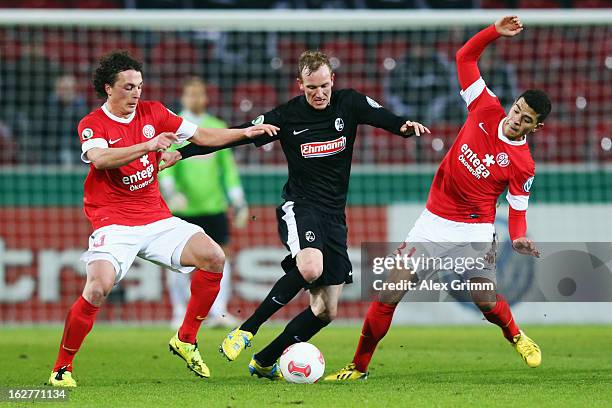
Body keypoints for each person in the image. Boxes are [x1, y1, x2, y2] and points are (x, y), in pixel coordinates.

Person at [177, 50, 429, 379]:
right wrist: (181, 154)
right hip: (300, 206)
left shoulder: (348, 103)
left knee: (325, 311)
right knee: (311, 266)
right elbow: (235, 135)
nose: (319, 93)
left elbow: (388, 119)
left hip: (334, 215)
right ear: (300, 85)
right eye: (312, 88)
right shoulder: (286, 116)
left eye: (324, 86)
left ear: (332, 81)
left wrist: (405, 128)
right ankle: (246, 330)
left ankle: (265, 361)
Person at [324, 15, 551, 381]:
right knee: (388, 292)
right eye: (516, 111)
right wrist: (493, 32)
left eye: (525, 121)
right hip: (433, 221)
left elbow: (517, 209)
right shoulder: (485, 107)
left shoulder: (523, 164)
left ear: (536, 127)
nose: (515, 121)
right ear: (512, 105)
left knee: (485, 300)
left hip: (475, 231)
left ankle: (517, 335)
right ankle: (358, 367)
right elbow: (464, 58)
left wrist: (520, 236)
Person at [47, 51, 278, 387]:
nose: (136, 93)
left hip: (156, 218)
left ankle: (185, 338)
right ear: (109, 89)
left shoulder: (154, 112)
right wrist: (147, 146)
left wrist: (246, 134)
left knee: (214, 257)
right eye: (128, 87)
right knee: (97, 289)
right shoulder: (92, 124)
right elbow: (100, 159)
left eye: (139, 86)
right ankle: (61, 368)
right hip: (114, 224)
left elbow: (201, 136)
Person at [160, 77, 248, 329]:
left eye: (200, 94)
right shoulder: (174, 127)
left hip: (213, 206)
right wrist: (170, 190)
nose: (195, 99)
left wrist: (238, 199)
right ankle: (179, 311)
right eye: (191, 94)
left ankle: (217, 312)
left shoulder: (216, 126)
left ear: (206, 97)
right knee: (176, 261)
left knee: (222, 257)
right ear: (183, 97)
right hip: (183, 208)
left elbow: (228, 169)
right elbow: (165, 164)